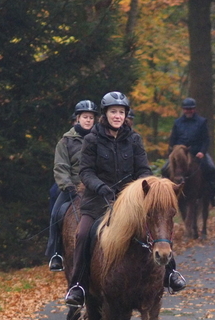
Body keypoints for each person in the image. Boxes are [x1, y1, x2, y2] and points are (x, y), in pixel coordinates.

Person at [65, 91, 186, 307]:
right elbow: (85, 172)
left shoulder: (134, 139)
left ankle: (171, 273)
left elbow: (143, 170)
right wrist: (100, 187)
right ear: (105, 114)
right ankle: (78, 286)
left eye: (121, 112)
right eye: (114, 112)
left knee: (157, 227)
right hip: (98, 201)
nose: (118, 116)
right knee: (83, 234)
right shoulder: (92, 139)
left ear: (125, 115)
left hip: (130, 203)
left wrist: (137, 189)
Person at [46, 99, 99, 271]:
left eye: (91, 117)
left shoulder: (101, 139)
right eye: (85, 117)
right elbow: (61, 167)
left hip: (97, 187)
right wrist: (68, 185)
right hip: (73, 187)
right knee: (57, 213)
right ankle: (56, 253)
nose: (88, 120)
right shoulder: (65, 142)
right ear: (77, 118)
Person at [164, 98, 215, 206]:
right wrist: (173, 151)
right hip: (180, 154)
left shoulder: (202, 121)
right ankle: (165, 195)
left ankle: (213, 195)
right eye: (186, 109)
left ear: (194, 109)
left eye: (190, 109)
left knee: (212, 169)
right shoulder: (177, 123)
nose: (188, 111)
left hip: (197, 153)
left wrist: (202, 152)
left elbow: (206, 140)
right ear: (183, 109)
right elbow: (173, 139)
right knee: (164, 169)